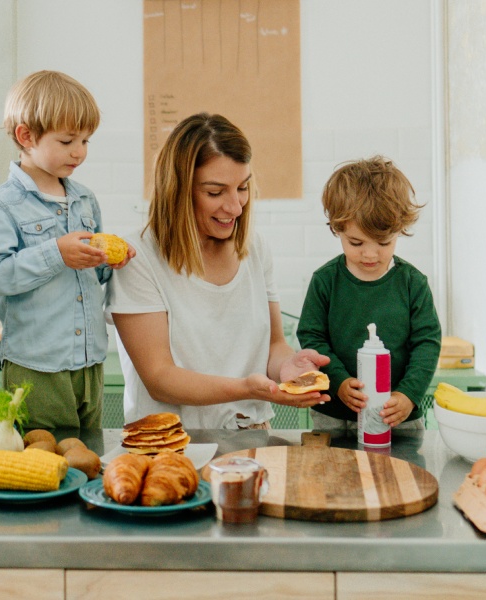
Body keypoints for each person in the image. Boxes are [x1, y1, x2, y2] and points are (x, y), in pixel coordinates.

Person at [107, 112, 329, 429]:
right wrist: (246, 389)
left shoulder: (255, 249)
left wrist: (288, 367)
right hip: (168, 446)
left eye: (243, 187)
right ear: (178, 190)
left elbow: (274, 346)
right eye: (215, 192)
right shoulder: (137, 258)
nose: (236, 207)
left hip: (251, 436)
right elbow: (159, 378)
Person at [0, 70, 133, 430]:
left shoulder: (85, 200)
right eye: (67, 141)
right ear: (26, 136)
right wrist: (56, 253)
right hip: (36, 366)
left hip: (90, 361)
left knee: (86, 456)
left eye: (86, 141)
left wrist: (110, 261)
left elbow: (92, 276)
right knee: (45, 462)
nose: (79, 152)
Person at [296, 156, 442, 435]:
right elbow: (312, 338)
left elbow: (427, 343)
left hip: (397, 417)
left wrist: (408, 395)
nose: (370, 254)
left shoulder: (413, 283)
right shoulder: (325, 281)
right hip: (334, 417)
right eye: (356, 242)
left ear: (400, 231)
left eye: (384, 242)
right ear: (337, 228)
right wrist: (338, 381)